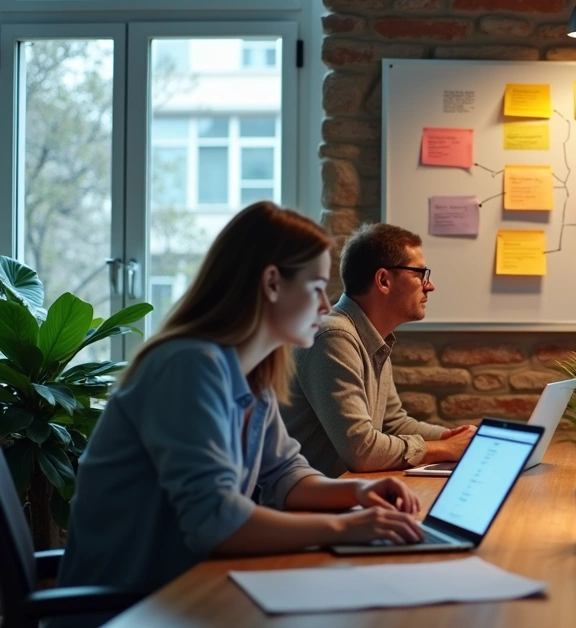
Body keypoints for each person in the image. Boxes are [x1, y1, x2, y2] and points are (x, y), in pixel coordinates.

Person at [58, 203, 426, 612]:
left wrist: (358, 491)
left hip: (191, 590)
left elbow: (286, 474)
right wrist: (344, 527)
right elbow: (215, 519)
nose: (326, 306)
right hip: (134, 606)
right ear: (272, 283)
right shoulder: (190, 366)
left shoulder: (252, 374)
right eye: (316, 287)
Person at [281, 223, 475, 478]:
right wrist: (445, 448)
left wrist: (456, 439)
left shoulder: (371, 337)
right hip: (308, 501)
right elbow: (361, 450)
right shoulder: (333, 337)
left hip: (342, 492)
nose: (430, 286)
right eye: (420, 274)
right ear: (383, 280)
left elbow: (392, 423)